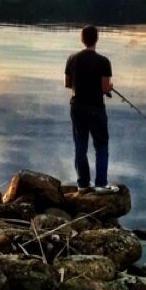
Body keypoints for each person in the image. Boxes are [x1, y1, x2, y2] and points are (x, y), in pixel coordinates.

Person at [64, 25, 119, 194]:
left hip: (77, 107)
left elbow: (68, 83)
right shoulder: (103, 61)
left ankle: (83, 184)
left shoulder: (72, 58)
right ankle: (101, 184)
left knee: (80, 146)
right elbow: (104, 88)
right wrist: (110, 87)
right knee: (101, 145)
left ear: (82, 39)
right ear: (97, 39)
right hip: (96, 108)